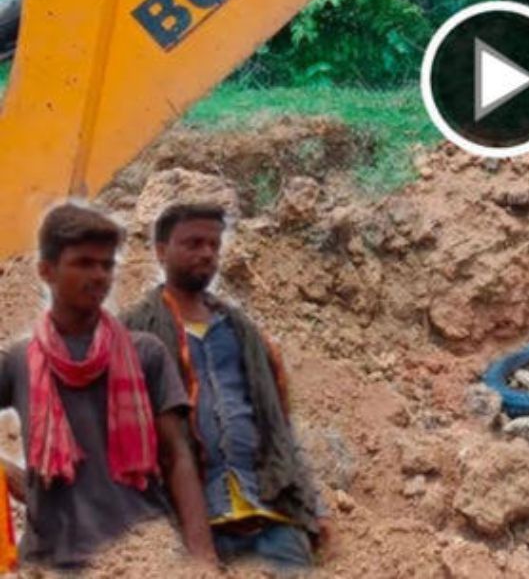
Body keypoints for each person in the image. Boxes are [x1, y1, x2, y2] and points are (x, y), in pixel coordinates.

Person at [0, 202, 216, 569]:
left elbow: (176, 456)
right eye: (84, 263)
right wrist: (8, 474)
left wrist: (203, 560)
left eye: (106, 264)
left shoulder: (146, 353)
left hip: (140, 557)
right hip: (52, 562)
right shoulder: (19, 362)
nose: (99, 275)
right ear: (46, 271)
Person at [123, 202, 333, 569]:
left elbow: (277, 427)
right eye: (193, 243)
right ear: (160, 250)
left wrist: (313, 504)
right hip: (190, 529)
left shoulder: (243, 332)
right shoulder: (135, 333)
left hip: (270, 519)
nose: (206, 253)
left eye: (213, 245)